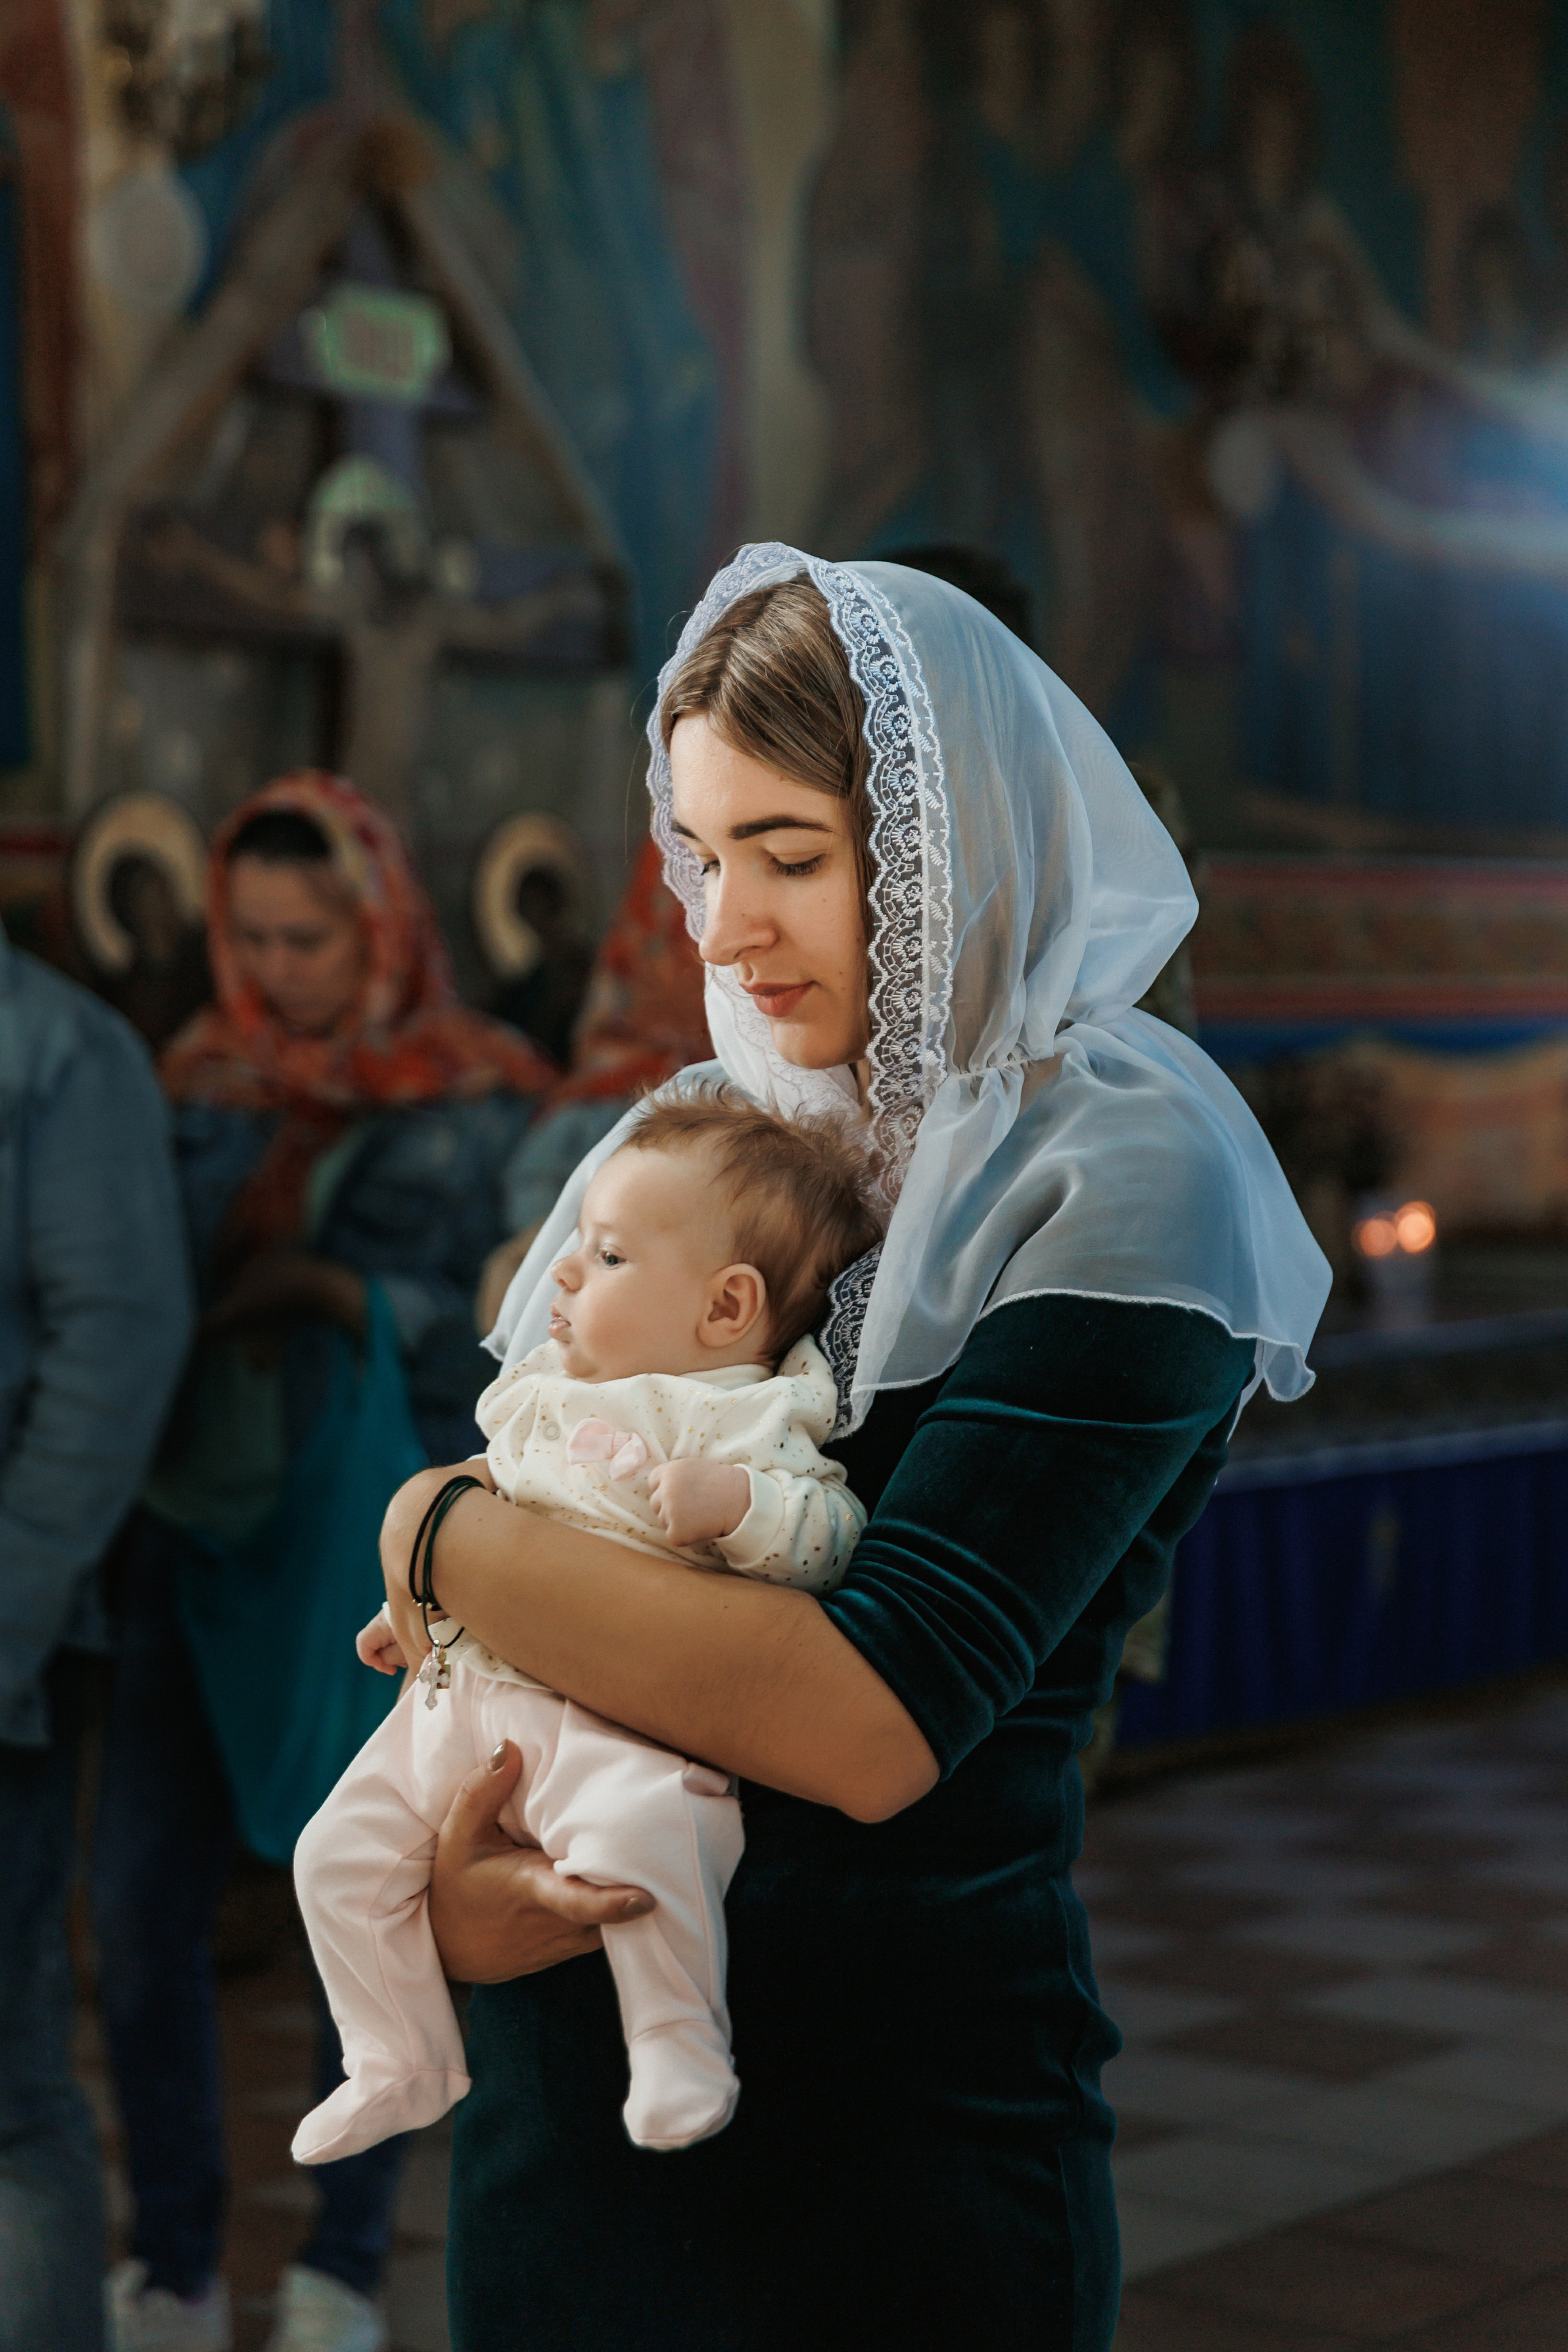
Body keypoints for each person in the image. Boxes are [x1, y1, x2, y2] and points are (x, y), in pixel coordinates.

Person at [368, 549, 1330, 2351]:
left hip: (882, 2151)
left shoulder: (1115, 1168)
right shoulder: (690, 1142)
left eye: (791, 858)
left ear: (947, 821)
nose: (723, 928)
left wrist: (433, 1530)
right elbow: (466, 1677)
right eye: (704, 856)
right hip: (569, 2143)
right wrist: (451, 1894)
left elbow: (870, 1720)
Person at [92, 773, 552, 2352]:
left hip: (378, 1556)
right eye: (255, 937)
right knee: (138, 1911)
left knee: (364, 1901)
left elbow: (524, 1333)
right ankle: (170, 2258)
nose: (280, 971)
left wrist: (348, 1302)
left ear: (381, 921)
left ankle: (341, 2268)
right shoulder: (192, 1083)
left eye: (312, 937)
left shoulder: (481, 1093)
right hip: (193, 1528)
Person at [294, 1084, 878, 2168]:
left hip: (615, 1716)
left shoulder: (747, 1414)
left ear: (725, 1308)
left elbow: (830, 1533)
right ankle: (396, 2055)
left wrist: (738, 1507)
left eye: (608, 1257)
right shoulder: (548, 1389)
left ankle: (677, 2041)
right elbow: (494, 1511)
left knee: (643, 1846)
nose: (560, 1270)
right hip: (461, 1701)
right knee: (334, 1855)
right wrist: (406, 1607)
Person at [0, 922, 191, 2352]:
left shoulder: (57, 1054)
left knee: (5, 2103)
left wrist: (2, 1616)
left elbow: (117, 1342)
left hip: (7, 1649)